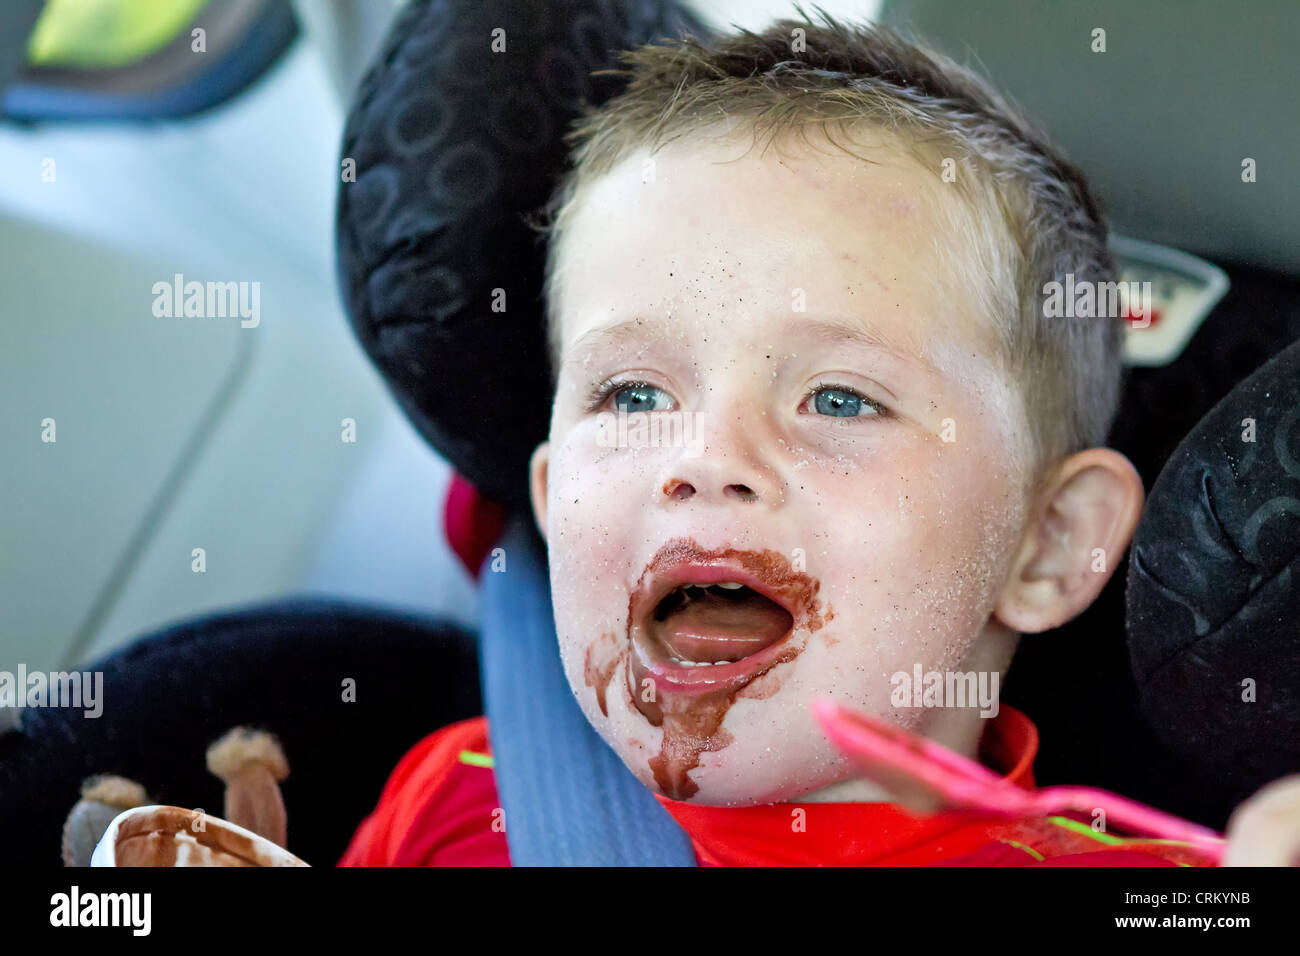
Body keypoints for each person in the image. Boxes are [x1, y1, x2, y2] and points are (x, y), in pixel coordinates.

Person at [339, 13, 1297, 866]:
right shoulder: (462, 793)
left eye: (838, 401)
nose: (704, 457)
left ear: (1046, 544)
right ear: (552, 507)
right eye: (632, 395)